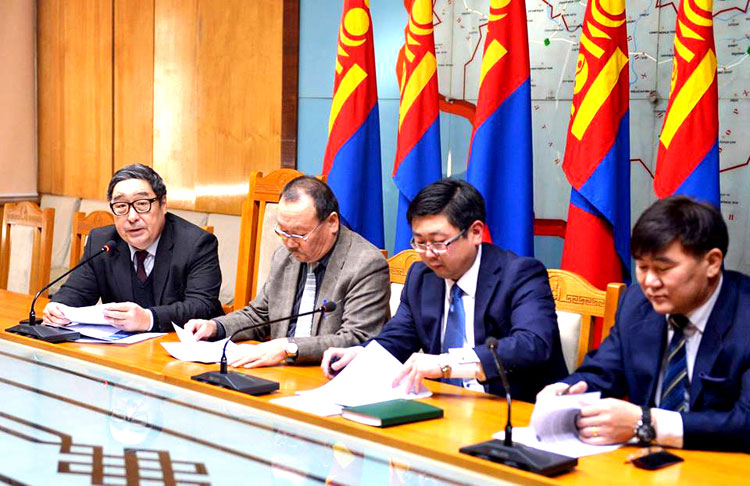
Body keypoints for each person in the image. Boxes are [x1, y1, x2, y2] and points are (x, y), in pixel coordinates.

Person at [322, 179, 567, 402]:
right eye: (420, 242)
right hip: (441, 406)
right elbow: (397, 338)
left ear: (475, 232)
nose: (428, 254)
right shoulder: (422, 276)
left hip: (509, 411)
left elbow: (532, 344)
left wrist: (447, 364)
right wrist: (361, 354)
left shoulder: (520, 274)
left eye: (439, 242)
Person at [537, 196, 750, 452]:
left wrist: (648, 422)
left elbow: (745, 422)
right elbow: (603, 373)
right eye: (642, 267)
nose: (649, 282)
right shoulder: (637, 303)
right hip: (645, 461)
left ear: (712, 263)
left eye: (663, 269)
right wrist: (564, 391)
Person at [184, 176, 390, 367]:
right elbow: (259, 315)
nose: (290, 243)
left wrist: (288, 347)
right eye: (283, 231)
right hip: (279, 371)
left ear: (332, 223)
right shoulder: (284, 256)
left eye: (299, 234)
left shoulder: (366, 264)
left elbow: (358, 338)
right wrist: (215, 327)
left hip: (328, 374)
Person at [43, 163, 223, 332]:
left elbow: (202, 306)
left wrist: (148, 318)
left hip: (181, 346)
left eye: (142, 204)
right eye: (121, 206)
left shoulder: (196, 243)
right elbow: (76, 291)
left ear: (163, 204)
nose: (131, 217)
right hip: (122, 347)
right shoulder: (102, 242)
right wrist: (58, 308)